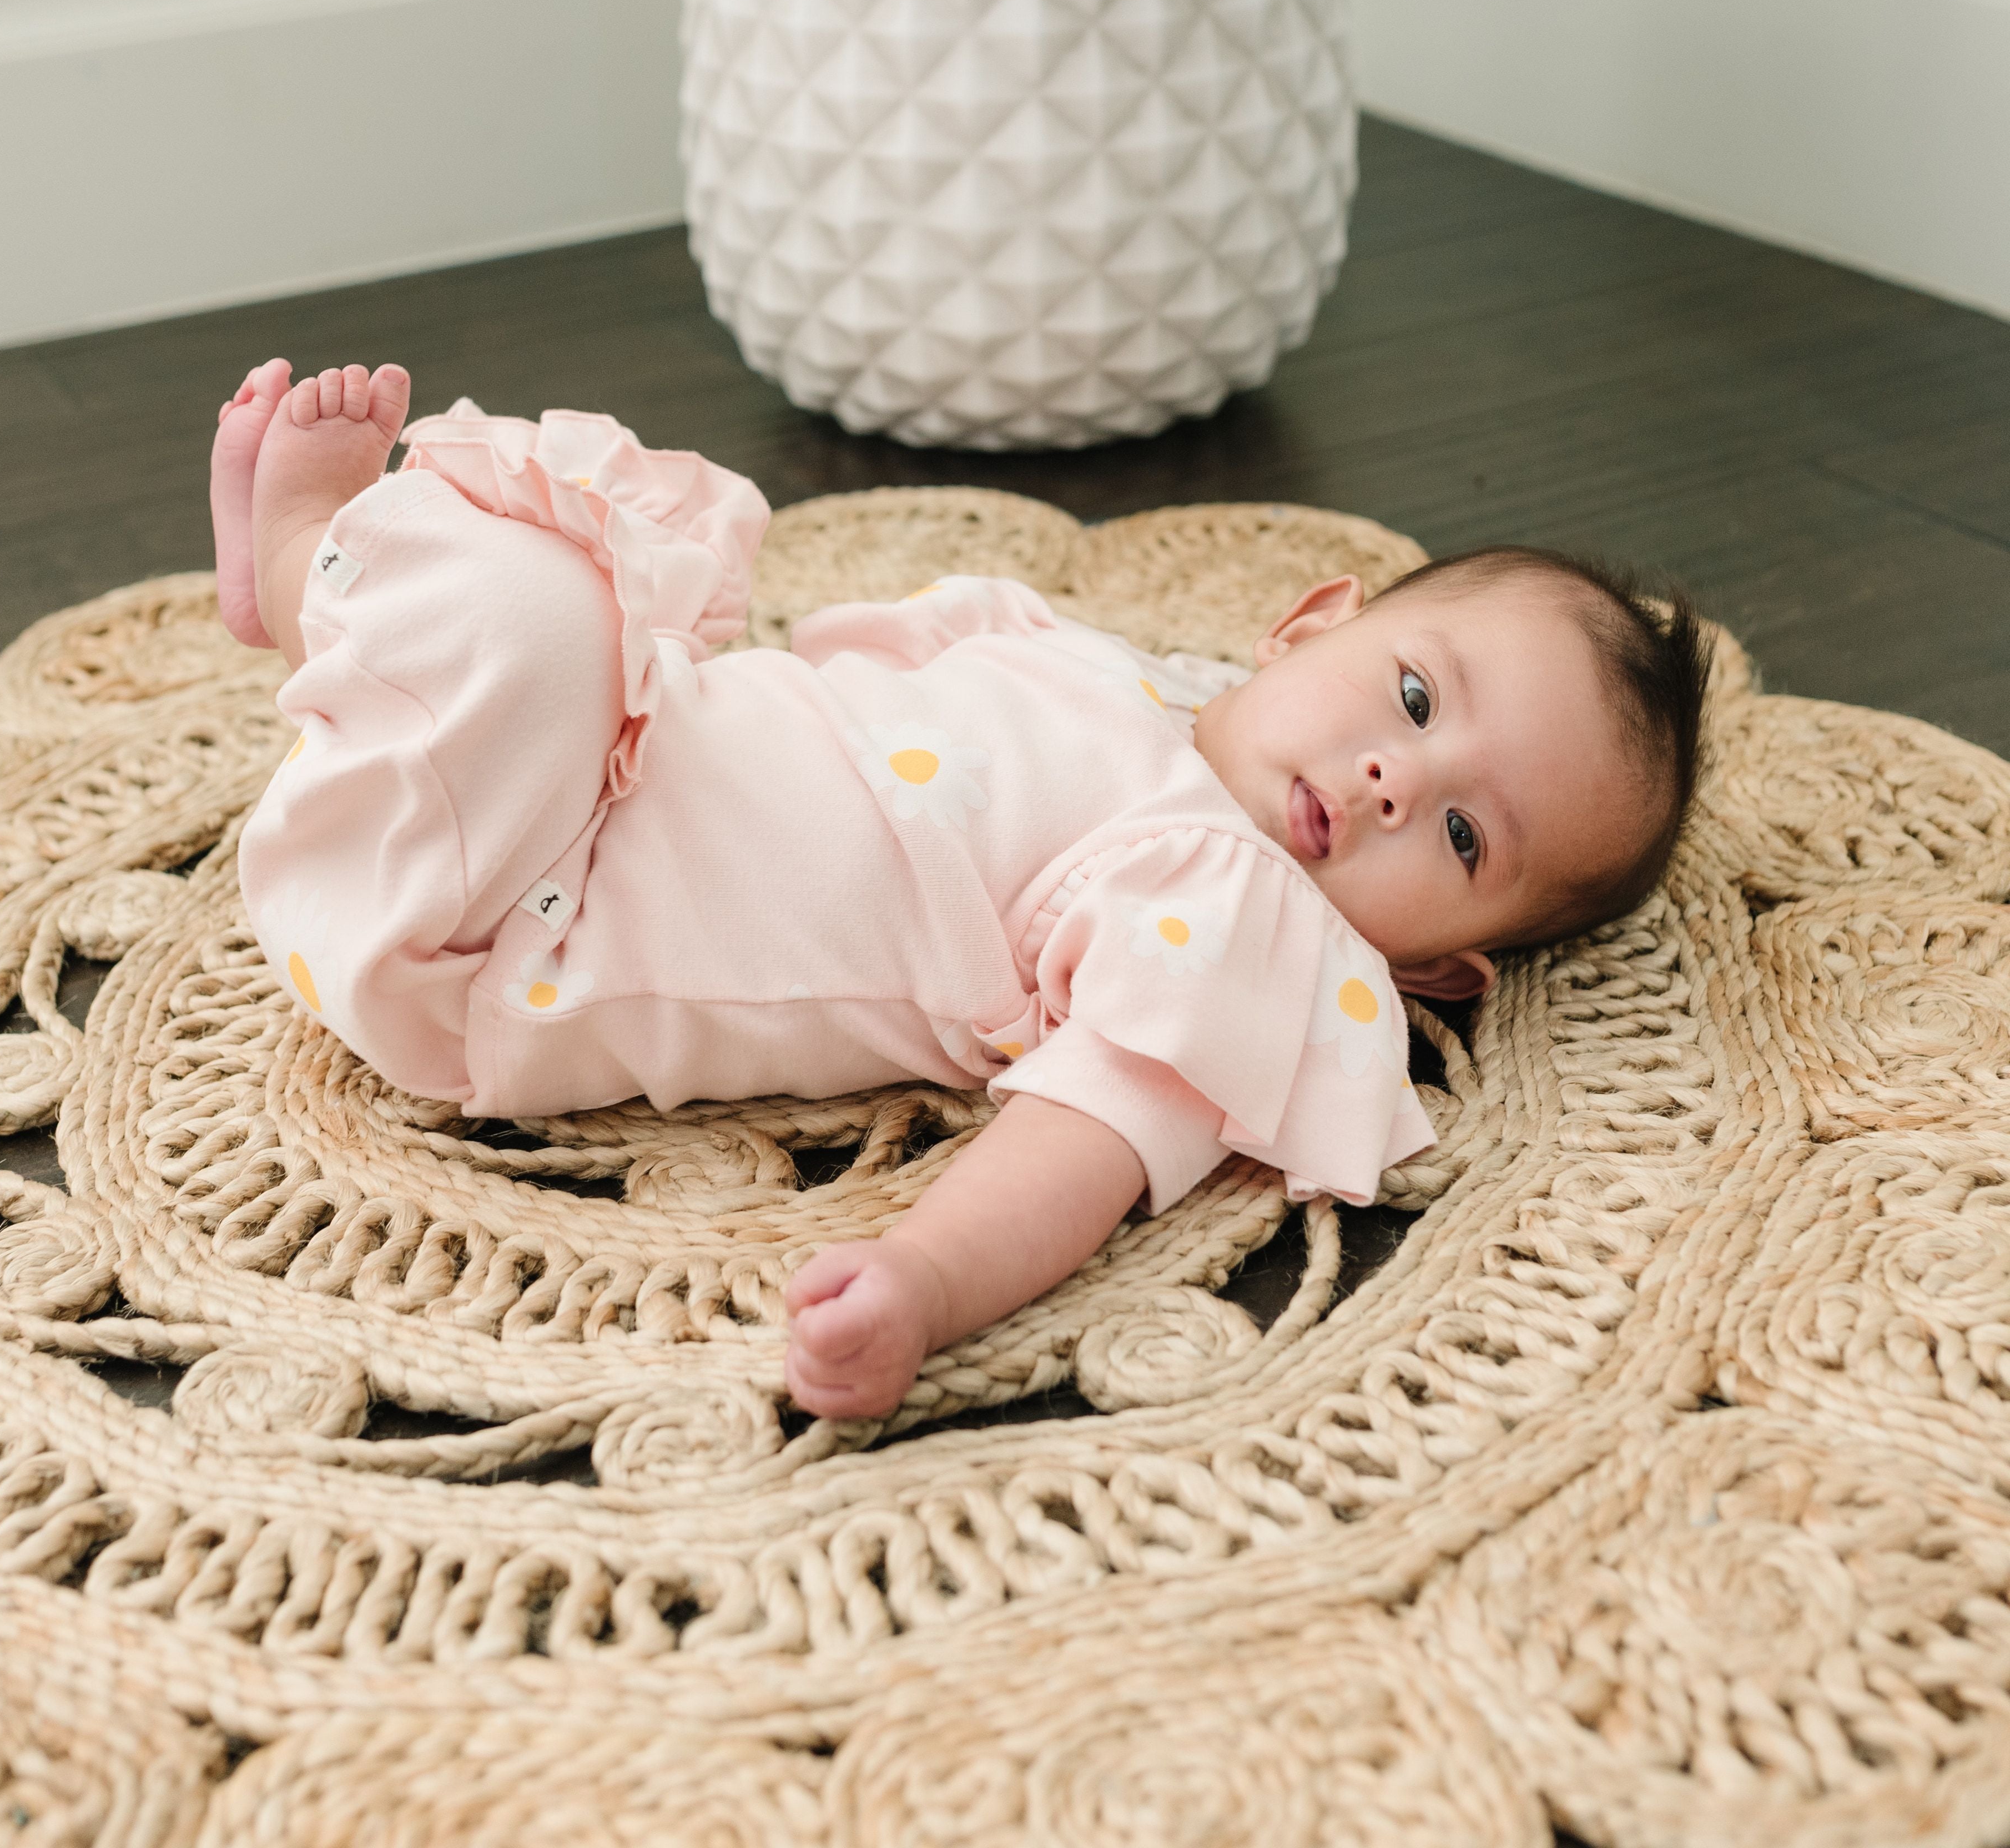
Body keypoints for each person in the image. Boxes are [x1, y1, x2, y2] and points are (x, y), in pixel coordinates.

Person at [209, 359, 1707, 1420]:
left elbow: (1088, 1136)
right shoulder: (1138, 683)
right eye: (1414, 699)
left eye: (1462, 843)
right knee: (559, 585)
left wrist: (926, 1285)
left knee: (519, 620)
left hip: (516, 924)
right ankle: (319, 600)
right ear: (1307, 626)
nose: (1397, 782)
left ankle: (297, 572)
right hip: (608, 757)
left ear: (1439, 972)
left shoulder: (1245, 930)